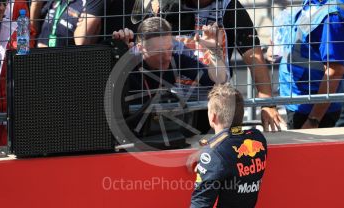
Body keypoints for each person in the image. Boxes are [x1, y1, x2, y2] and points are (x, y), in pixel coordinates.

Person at [111, 0, 285, 132]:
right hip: (168, 105)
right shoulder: (163, 5)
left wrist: (266, 102)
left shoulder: (228, 6)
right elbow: (140, 43)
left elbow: (253, 55)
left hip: (211, 105)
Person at [184, 82, 267, 208]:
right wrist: (208, 150)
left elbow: (200, 206)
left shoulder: (214, 155)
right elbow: (231, 141)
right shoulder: (258, 138)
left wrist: (208, 154)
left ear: (213, 117)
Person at [268, 0, 344, 129]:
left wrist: (313, 120)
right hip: (299, 101)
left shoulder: (330, 15)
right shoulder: (310, 4)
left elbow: (334, 71)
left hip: (313, 108)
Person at [0, 0, 36, 146]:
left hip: (7, 94)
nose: (1, 7)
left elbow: (23, 49)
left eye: (3, 2)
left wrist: (19, 46)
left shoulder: (18, 7)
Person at [30, 0, 106, 47]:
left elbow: (81, 42)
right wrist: (35, 4)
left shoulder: (90, 4)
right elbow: (34, 30)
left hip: (65, 62)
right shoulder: (54, 2)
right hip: (38, 57)